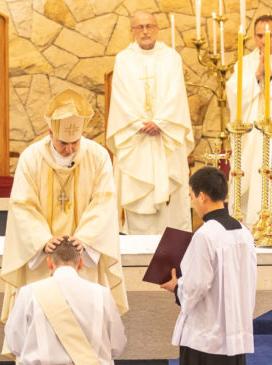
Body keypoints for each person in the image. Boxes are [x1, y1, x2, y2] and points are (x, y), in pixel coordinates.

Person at [0, 89, 128, 355]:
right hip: (44, 260)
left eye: (75, 142)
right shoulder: (31, 158)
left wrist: (87, 238)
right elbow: (21, 205)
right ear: (50, 133)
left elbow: (105, 201)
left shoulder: (98, 156)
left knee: (88, 335)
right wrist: (43, 240)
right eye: (62, 143)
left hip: (82, 257)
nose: (69, 149)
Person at [106, 10, 194, 235]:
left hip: (166, 138)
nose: (145, 31)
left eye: (149, 26)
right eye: (140, 27)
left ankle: (173, 255)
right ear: (132, 31)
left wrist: (161, 122)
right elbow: (120, 98)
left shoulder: (171, 57)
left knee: (171, 204)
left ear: (156, 29)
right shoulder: (123, 60)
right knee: (139, 196)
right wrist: (138, 124)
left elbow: (177, 95)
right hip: (138, 139)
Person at [161, 167, 257, 365]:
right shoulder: (244, 233)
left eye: (192, 196)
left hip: (206, 338)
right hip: (235, 334)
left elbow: (196, 286)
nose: (193, 202)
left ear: (202, 196)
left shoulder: (206, 235)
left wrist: (176, 288)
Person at [5, 236, 127, 365]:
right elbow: (116, 344)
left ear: (49, 263)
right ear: (80, 263)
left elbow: (15, 343)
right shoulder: (102, 294)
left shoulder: (29, 292)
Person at [226, 15, 272, 228]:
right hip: (253, 136)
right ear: (254, 36)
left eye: (269, 35)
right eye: (260, 35)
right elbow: (233, 93)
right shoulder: (245, 64)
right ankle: (254, 226)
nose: (264, 40)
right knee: (252, 176)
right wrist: (258, 74)